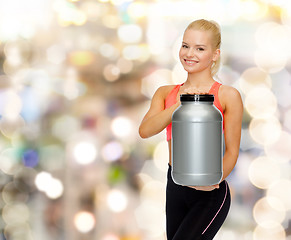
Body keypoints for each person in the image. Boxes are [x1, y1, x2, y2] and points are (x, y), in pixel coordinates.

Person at [139, 19, 243, 239]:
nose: (190, 54)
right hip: (175, 185)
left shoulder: (227, 95)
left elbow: (232, 151)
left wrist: (211, 181)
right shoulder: (165, 93)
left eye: (200, 48)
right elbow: (145, 130)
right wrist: (179, 105)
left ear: (215, 54)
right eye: (186, 46)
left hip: (210, 193)